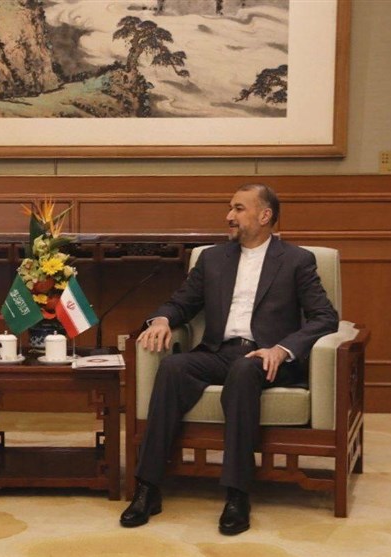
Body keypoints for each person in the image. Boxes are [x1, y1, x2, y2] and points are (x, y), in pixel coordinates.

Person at [120, 184, 338, 535]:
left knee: (244, 370)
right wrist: (160, 320)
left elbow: (325, 317)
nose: (228, 216)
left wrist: (281, 349)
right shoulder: (212, 258)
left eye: (238, 209)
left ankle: (238, 494)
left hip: (265, 358)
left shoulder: (296, 260)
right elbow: (181, 303)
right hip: (218, 352)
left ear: (264, 216)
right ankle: (148, 487)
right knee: (173, 367)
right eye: (230, 208)